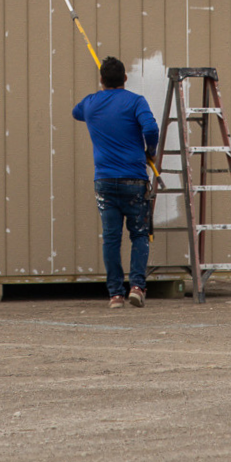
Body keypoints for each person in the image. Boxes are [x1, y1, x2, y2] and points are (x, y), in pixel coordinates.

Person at [73, 56, 160, 308]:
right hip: (134, 177)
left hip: (105, 180)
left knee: (111, 238)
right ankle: (136, 286)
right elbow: (151, 129)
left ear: (101, 80)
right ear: (125, 78)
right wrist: (150, 151)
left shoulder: (90, 103)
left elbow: (75, 112)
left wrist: (99, 96)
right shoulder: (136, 102)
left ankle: (115, 294)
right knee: (140, 234)